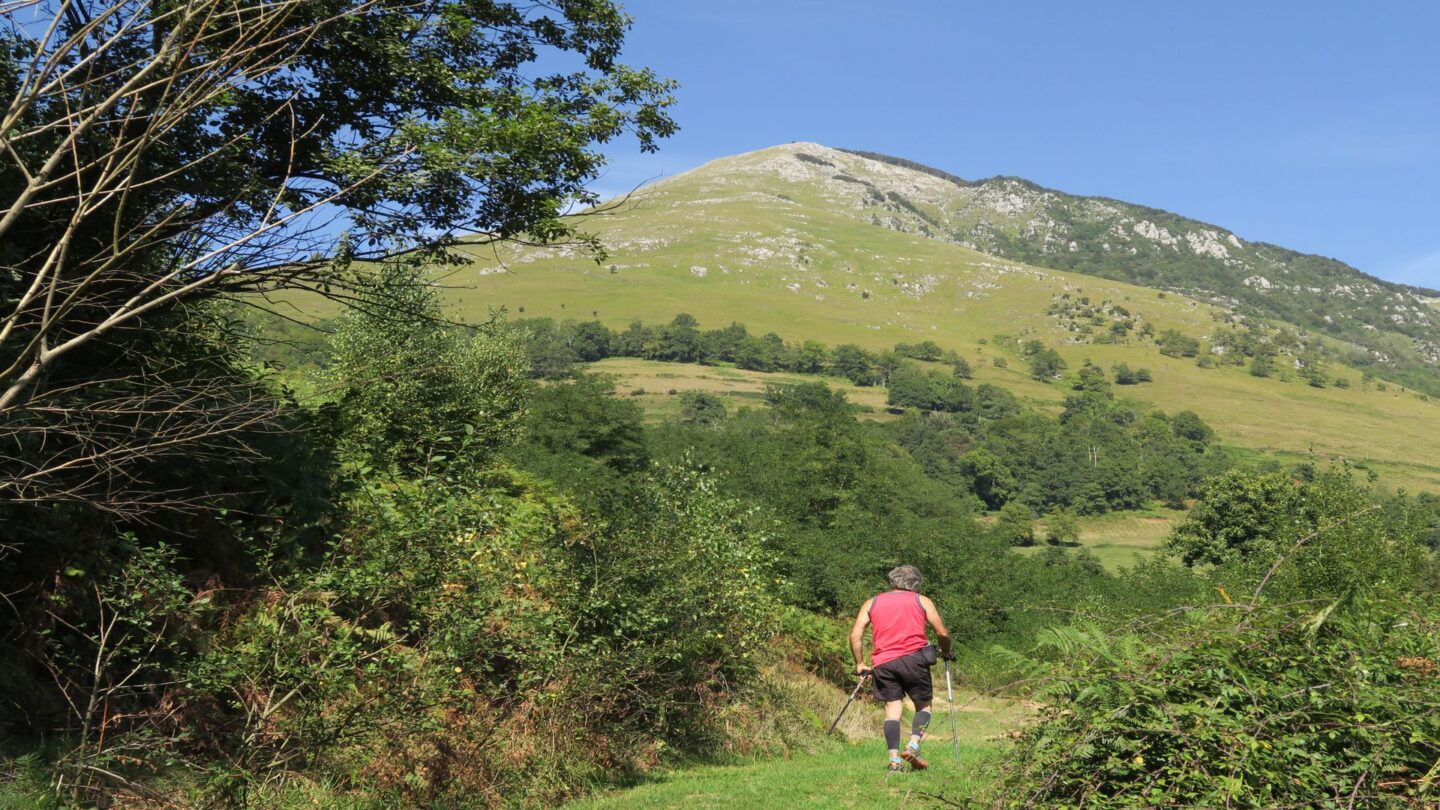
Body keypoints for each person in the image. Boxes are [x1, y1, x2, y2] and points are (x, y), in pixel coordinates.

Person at [849, 564, 954, 773]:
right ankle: (913, 745)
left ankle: (894, 760)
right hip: (914, 660)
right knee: (924, 705)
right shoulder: (921, 600)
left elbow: (855, 635)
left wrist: (860, 663)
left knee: (892, 710)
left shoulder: (873, 602)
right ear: (916, 584)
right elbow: (942, 633)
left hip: (884, 663)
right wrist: (946, 652)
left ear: (892, 581)